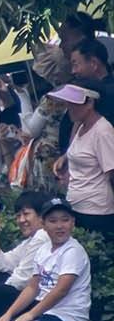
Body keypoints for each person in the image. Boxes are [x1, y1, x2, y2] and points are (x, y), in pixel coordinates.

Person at [55, 84, 114, 235]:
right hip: (76, 206)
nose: (69, 108)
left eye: (73, 104)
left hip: (96, 211)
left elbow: (112, 171)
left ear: (90, 103)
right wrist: (65, 161)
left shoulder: (103, 131)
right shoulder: (80, 126)